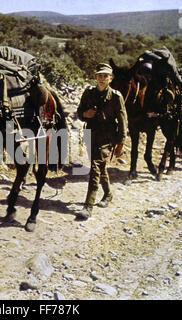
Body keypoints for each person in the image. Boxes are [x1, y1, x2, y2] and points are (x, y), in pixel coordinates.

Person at [75, 63, 127, 220]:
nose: (102, 78)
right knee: (100, 166)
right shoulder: (89, 92)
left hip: (107, 136)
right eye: (100, 75)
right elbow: (79, 113)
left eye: (106, 76)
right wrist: (86, 114)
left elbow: (123, 120)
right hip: (91, 133)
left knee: (95, 167)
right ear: (95, 76)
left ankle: (88, 206)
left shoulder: (116, 97)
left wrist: (121, 143)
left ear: (110, 78)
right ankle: (109, 194)